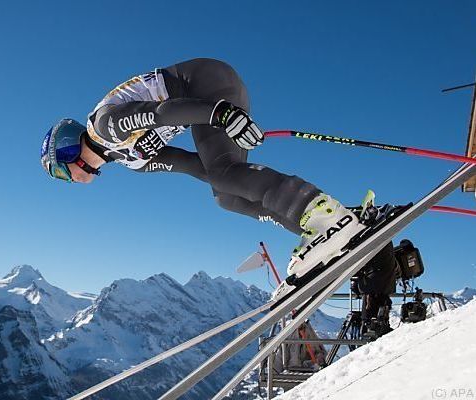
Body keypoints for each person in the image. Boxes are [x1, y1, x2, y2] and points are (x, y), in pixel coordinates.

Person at [41, 58, 367, 298]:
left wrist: (220, 115)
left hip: (207, 86)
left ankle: (326, 216)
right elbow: (191, 165)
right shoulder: (131, 160)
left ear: (69, 150)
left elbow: (160, 114)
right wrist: (229, 181)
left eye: (59, 171)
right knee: (224, 195)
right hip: (206, 107)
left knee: (224, 176)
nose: (65, 179)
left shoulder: (104, 125)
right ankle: (322, 224)